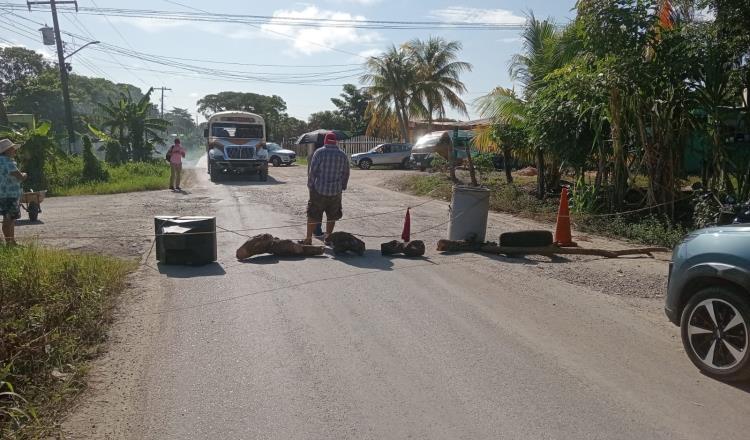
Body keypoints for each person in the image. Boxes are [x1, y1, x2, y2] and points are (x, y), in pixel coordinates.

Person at [303, 132, 349, 245]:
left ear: (325, 141)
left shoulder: (319, 152)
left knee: (313, 215)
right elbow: (346, 173)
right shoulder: (342, 155)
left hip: (319, 190)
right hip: (335, 192)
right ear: (336, 141)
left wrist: (310, 186)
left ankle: (308, 239)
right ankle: (328, 238)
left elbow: (312, 172)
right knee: (332, 216)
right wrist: (342, 186)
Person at [0, 139, 27, 245]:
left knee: (7, 217)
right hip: (9, 194)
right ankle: (10, 242)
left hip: (1, 194)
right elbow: (19, 176)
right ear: (6, 150)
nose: (14, 151)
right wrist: (24, 175)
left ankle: (10, 241)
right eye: (12, 149)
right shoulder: (7, 161)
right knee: (10, 218)